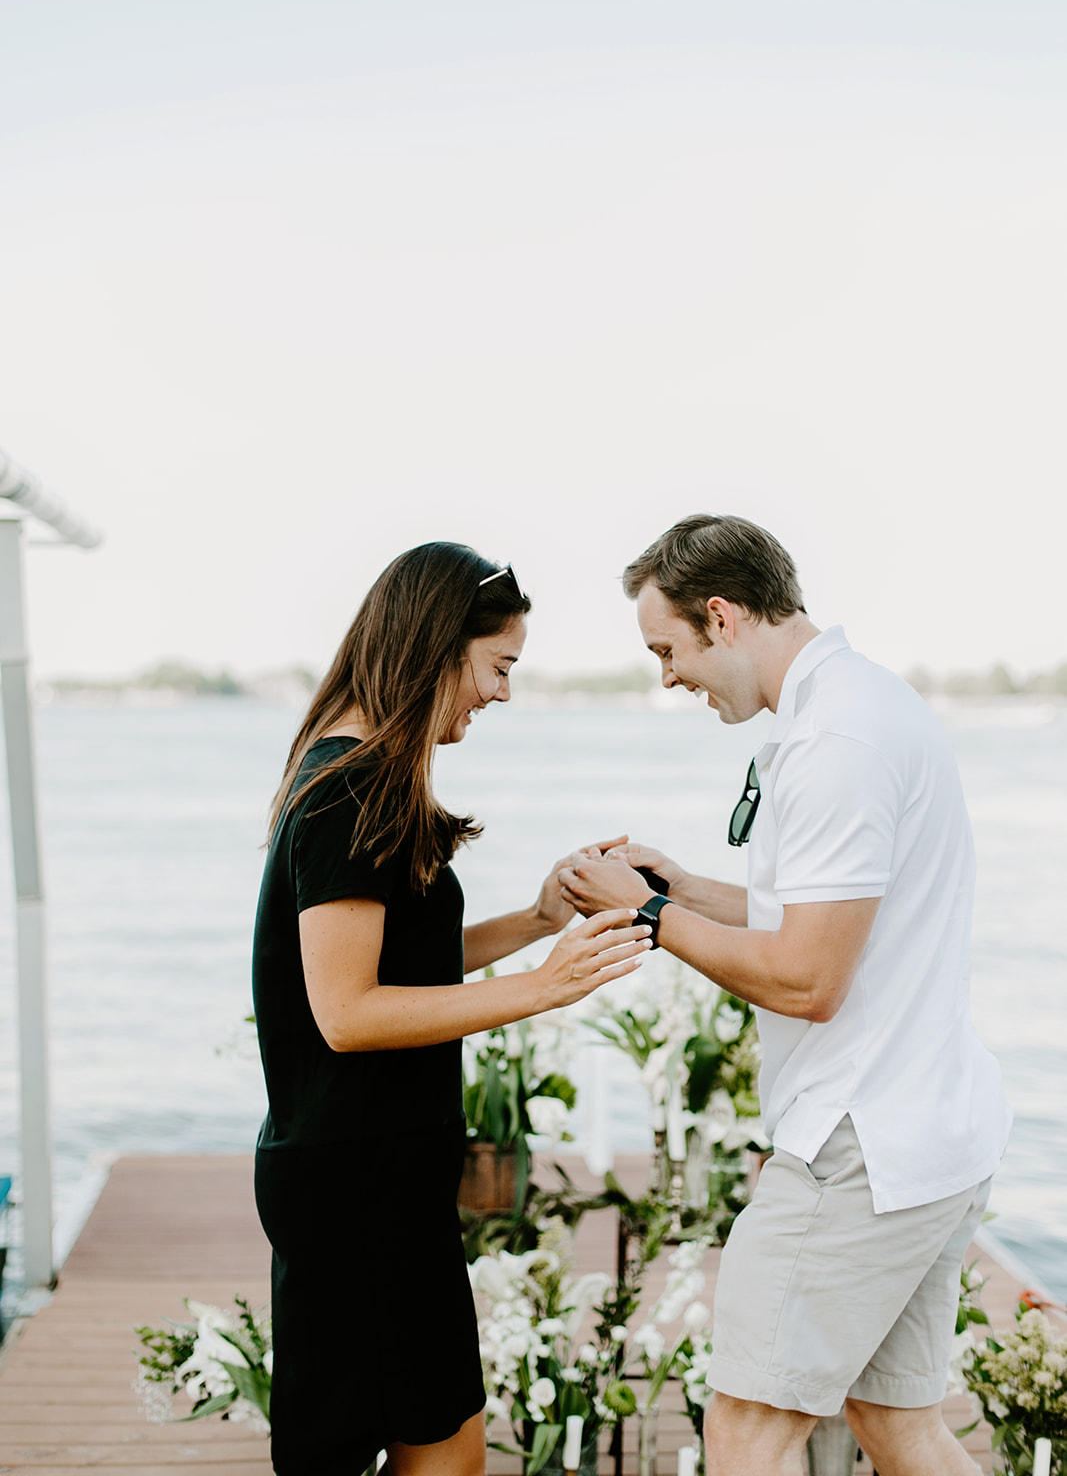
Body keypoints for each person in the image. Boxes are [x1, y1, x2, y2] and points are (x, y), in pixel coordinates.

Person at [559, 513, 1011, 1476]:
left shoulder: (835, 740)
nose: (667, 678)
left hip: (859, 1144)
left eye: (667, 650)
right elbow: (814, 915)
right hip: (925, 1127)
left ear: (720, 617)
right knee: (898, 1424)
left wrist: (644, 917)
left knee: (744, 1432)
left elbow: (807, 978)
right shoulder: (855, 707)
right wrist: (676, 884)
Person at [252, 541, 652, 1476]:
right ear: (438, 650)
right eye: (498, 666)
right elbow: (346, 1011)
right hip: (352, 1183)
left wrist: (536, 920)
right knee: (413, 1452)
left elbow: (401, 961)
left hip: (380, 1172)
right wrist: (545, 987)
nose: (502, 693)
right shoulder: (348, 787)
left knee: (444, 1445)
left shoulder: (362, 775)